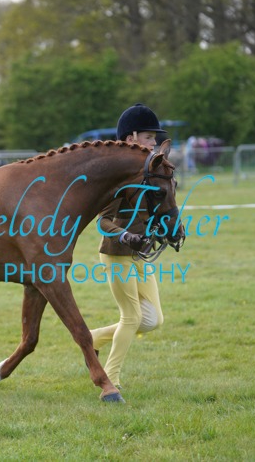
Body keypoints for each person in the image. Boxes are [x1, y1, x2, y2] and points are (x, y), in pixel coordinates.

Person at [89, 103, 168, 390]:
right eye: (149, 137)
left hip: (140, 255)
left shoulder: (148, 171)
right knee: (132, 317)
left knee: (153, 320)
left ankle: (93, 338)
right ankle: (110, 378)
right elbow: (103, 221)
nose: (154, 143)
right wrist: (125, 235)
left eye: (155, 139)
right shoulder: (118, 175)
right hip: (116, 254)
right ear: (131, 137)